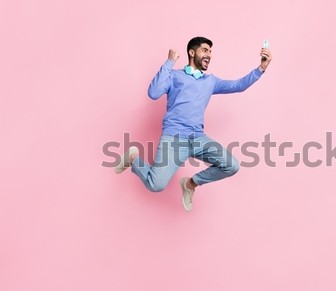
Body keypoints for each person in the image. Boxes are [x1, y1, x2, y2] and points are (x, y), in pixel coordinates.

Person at [115, 36, 272, 211]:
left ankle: (190, 184)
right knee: (155, 185)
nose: (209, 55)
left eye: (210, 52)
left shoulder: (210, 81)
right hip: (174, 139)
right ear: (192, 52)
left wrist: (261, 68)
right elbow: (153, 93)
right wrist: (169, 62)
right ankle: (133, 159)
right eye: (205, 50)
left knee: (232, 165)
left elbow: (238, 85)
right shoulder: (175, 75)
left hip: (199, 139)